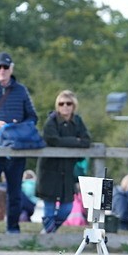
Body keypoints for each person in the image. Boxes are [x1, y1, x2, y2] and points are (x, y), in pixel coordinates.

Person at [0, 51, 38, 233]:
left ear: (11, 69)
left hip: (15, 147)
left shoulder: (20, 90)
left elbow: (32, 117)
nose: (2, 70)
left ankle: (13, 229)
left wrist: (17, 127)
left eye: (5, 67)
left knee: (15, 193)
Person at [36, 90, 92, 233]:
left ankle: (49, 232)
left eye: (69, 103)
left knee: (67, 208)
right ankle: (48, 235)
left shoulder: (78, 121)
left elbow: (86, 141)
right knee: (49, 207)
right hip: (50, 169)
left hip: (67, 171)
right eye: (61, 104)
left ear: (74, 106)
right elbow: (52, 139)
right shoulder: (51, 121)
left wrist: (70, 142)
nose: (65, 106)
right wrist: (75, 141)